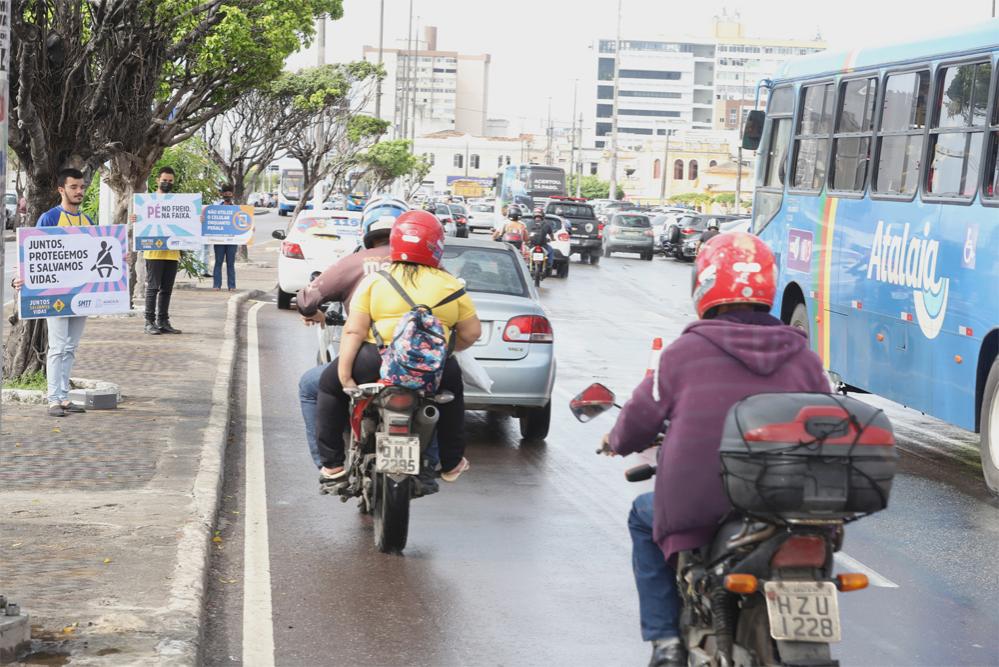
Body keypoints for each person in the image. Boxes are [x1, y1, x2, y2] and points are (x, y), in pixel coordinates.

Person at [604, 232, 830, 667]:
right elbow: (825, 418)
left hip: (703, 503)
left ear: (704, 285)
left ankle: (666, 641)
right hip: (793, 506)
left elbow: (639, 421)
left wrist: (616, 441)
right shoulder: (804, 355)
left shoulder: (684, 353)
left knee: (641, 517)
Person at [314, 210, 481, 487]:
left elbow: (354, 330)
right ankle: (451, 463)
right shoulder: (450, 284)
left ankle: (332, 465)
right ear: (437, 245)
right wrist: (442, 353)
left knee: (326, 387)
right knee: (453, 395)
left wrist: (344, 377)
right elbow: (472, 333)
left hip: (374, 361)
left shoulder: (376, 280)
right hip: (434, 369)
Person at [295, 196, 407, 469]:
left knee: (311, 386)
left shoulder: (356, 262)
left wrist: (314, 314)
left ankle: (329, 464)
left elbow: (308, 300)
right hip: (416, 362)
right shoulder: (426, 267)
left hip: (365, 360)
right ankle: (436, 459)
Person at [14, 168, 96, 417]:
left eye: (82, 187)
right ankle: (53, 398)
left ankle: (65, 397)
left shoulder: (88, 221)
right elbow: (34, 255)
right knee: (58, 347)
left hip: (80, 297)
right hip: (55, 296)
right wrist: (20, 279)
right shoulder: (49, 219)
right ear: (62, 190)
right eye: (74, 187)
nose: (79, 191)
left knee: (71, 347)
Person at [142, 167, 182, 335]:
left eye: (170, 181)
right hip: (154, 252)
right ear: (157, 180)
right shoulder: (147, 201)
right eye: (164, 180)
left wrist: (197, 219)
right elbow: (141, 221)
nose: (167, 183)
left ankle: (163, 321)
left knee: (167, 288)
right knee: (153, 287)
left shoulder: (178, 202)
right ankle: (149, 322)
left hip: (172, 252)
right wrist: (135, 219)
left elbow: (187, 222)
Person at [212, 184, 239, 291]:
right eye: (225, 192)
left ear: (232, 194)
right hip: (219, 240)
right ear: (222, 194)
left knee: (230, 263)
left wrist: (250, 229)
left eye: (229, 192)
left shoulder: (237, 209)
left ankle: (232, 286)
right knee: (218, 262)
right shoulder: (216, 208)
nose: (227, 194)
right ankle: (216, 285)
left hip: (232, 240)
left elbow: (244, 223)